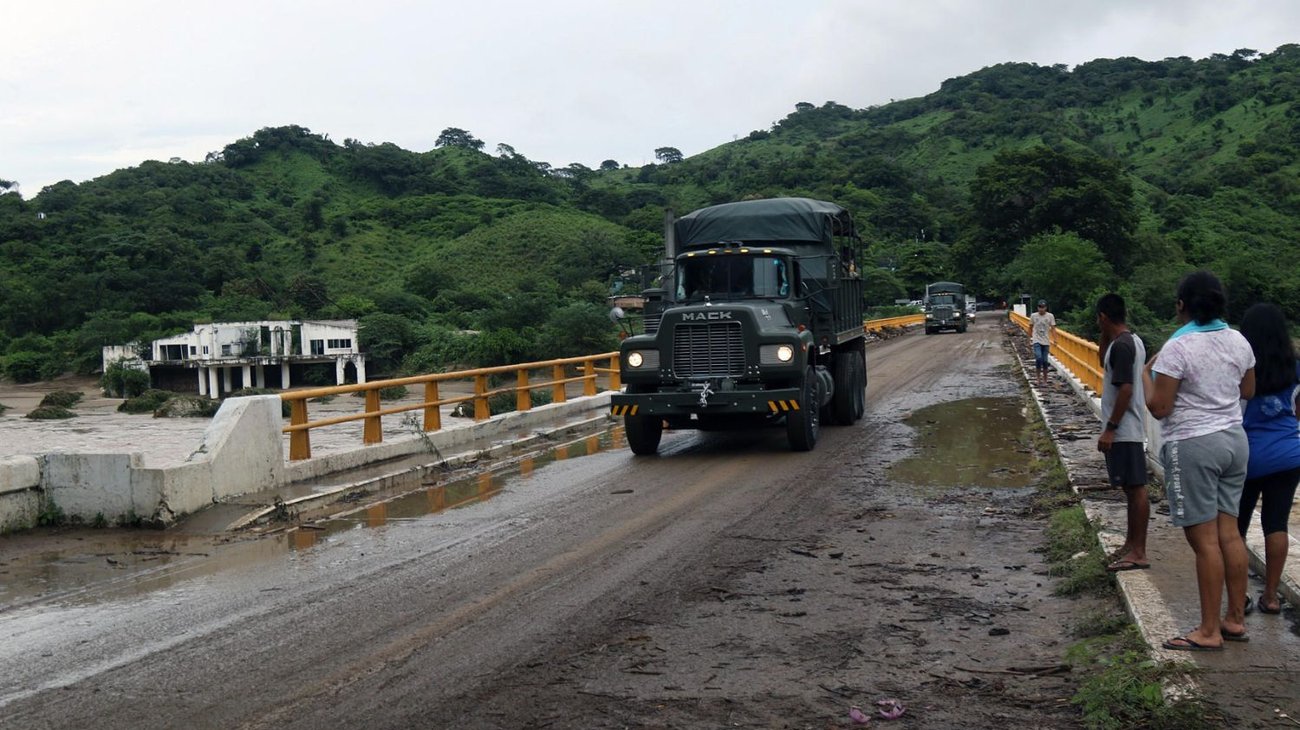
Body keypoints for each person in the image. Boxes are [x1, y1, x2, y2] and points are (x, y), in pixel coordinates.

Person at [1144, 270, 1255, 651]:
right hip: (1234, 442)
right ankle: (1234, 620)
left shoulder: (1178, 347)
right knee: (1230, 533)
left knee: (1204, 542)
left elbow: (1159, 408)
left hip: (1193, 444)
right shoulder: (1238, 340)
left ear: (1181, 306)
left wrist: (1146, 375)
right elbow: (1248, 389)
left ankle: (1208, 631)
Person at [1237, 302, 1300, 616]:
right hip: (1288, 456)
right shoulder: (1295, 365)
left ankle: (1240, 598)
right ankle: (1272, 597)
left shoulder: (1241, 365)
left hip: (1246, 456)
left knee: (1237, 527)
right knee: (1276, 524)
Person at [1095, 293, 1150, 572]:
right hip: (1128, 429)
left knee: (1136, 488)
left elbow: (1126, 389)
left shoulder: (1123, 347)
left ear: (1103, 317)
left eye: (1099, 319)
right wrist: (1105, 335)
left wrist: (1110, 430)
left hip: (1125, 430)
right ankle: (1131, 544)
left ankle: (1139, 551)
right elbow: (1102, 359)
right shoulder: (1130, 342)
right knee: (1130, 488)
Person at [1029, 300, 1056, 384]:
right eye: (1040, 307)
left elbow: (1053, 328)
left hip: (1046, 341)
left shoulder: (1050, 316)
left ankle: (1045, 379)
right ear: (1037, 307)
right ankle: (1038, 378)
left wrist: (1055, 339)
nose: (1041, 309)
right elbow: (1030, 327)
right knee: (1038, 358)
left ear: (1046, 308)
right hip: (1036, 340)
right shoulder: (1033, 316)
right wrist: (1029, 337)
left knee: (1045, 361)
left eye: (1043, 307)